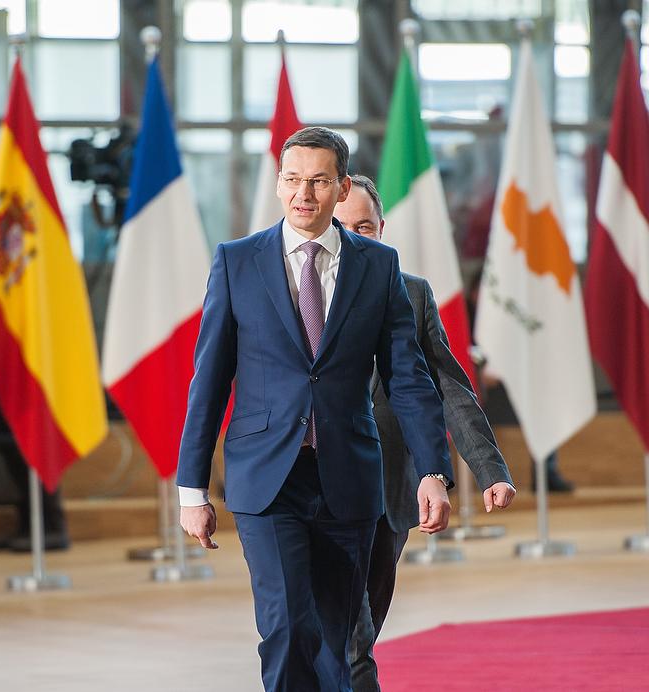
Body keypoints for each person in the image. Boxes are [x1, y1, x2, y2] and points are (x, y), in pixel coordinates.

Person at [177, 127, 454, 691]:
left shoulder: (378, 266)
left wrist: (432, 469)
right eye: (293, 180)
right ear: (279, 184)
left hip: (348, 476)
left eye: (319, 181)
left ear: (342, 187)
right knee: (286, 628)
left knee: (337, 642)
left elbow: (407, 378)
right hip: (266, 479)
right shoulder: (237, 262)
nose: (303, 194)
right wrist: (192, 490)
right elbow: (210, 381)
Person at [335, 175, 517, 691]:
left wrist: (489, 469)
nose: (353, 237)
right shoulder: (302, 291)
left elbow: (450, 388)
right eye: (342, 226)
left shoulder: (410, 293)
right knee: (349, 638)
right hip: (319, 488)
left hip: (389, 491)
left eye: (363, 226)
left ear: (381, 229)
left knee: (360, 629)